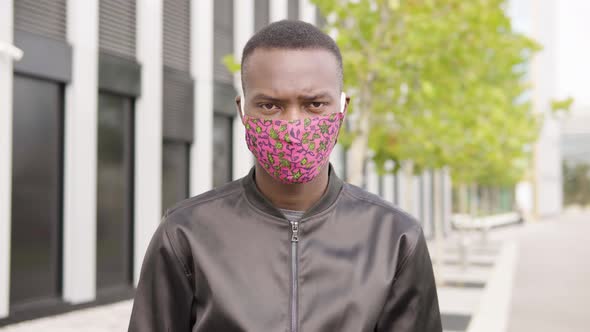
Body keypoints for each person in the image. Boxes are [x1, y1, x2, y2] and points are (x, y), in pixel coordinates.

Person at [128, 20, 442, 332]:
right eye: (270, 106)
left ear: (343, 109)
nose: (293, 127)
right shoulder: (185, 234)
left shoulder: (395, 239)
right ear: (243, 111)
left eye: (315, 104)